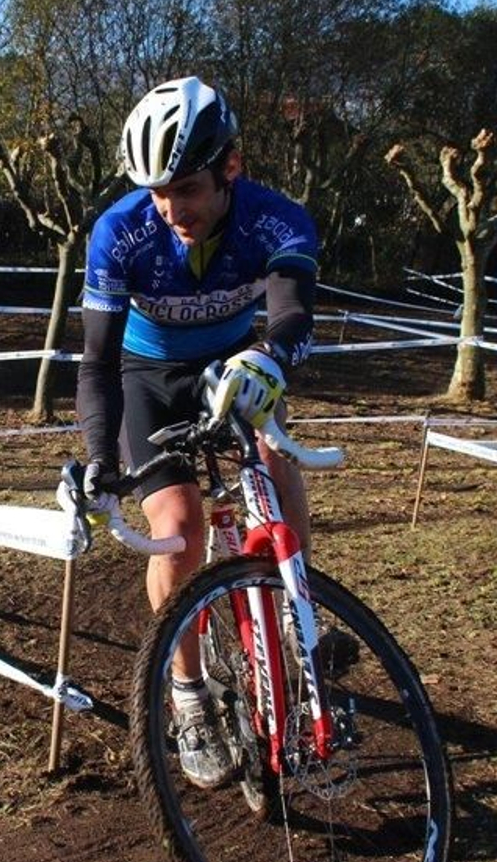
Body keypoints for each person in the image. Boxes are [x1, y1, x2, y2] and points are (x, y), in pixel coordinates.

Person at [77, 76, 319, 788]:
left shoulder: (277, 221)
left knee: (276, 460)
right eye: (157, 192)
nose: (171, 208)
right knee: (179, 527)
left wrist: (272, 357)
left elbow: (293, 318)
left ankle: (299, 617)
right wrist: (98, 454)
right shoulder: (121, 230)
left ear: (231, 168)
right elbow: (95, 360)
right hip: (147, 376)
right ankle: (188, 692)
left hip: (233, 365)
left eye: (186, 187)